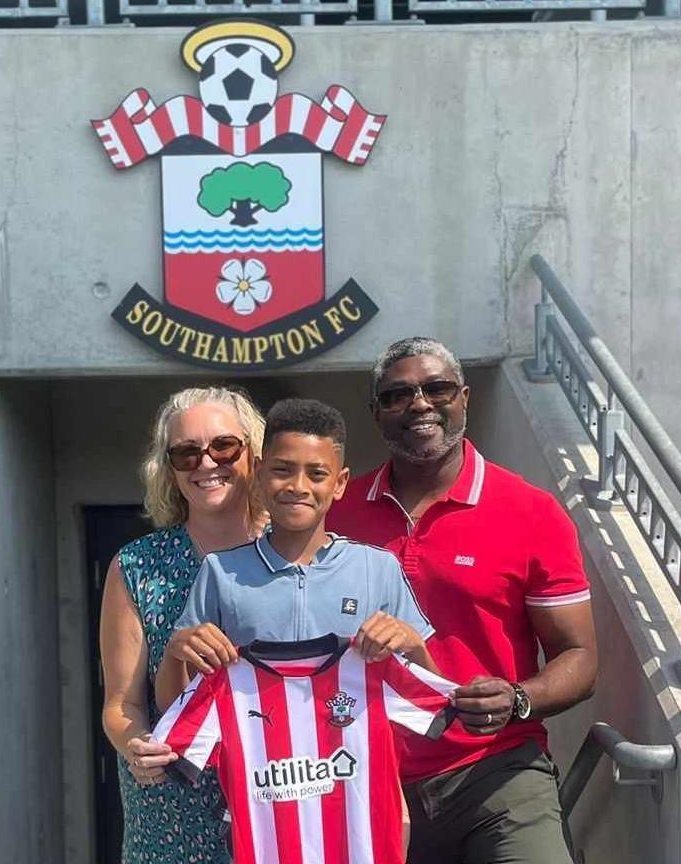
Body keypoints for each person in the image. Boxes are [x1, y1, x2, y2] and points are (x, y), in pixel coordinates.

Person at [327, 337, 600, 864]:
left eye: (438, 388)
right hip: (363, 777)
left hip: (496, 773)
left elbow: (581, 659)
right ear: (376, 413)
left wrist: (517, 698)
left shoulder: (531, 512)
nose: (420, 404)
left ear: (465, 398)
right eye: (398, 395)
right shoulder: (335, 517)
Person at [154, 397, 440, 718]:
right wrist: (175, 654)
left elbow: (429, 704)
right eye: (282, 470)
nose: (298, 486)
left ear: (340, 483)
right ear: (259, 473)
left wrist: (414, 645)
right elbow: (176, 709)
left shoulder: (377, 569)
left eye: (317, 474)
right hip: (256, 765)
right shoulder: (221, 572)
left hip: (355, 765)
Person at [99, 386, 268, 864]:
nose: (206, 463)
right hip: (173, 820)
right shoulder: (136, 566)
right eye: (186, 453)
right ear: (168, 469)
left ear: (253, 453)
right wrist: (135, 745)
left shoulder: (298, 553)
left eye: (223, 446)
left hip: (282, 801)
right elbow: (122, 702)